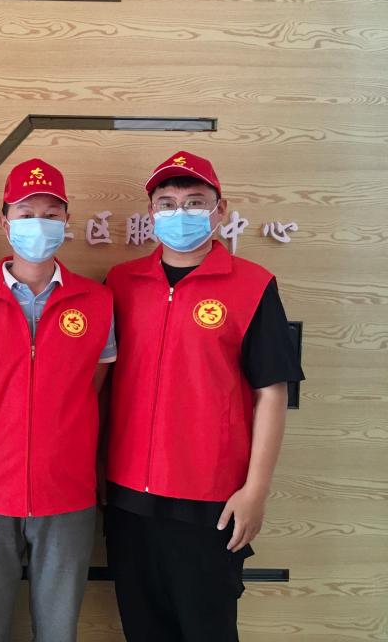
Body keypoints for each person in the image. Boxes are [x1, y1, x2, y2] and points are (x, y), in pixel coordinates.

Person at [103, 151, 304, 642]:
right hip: (127, 498)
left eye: (195, 202)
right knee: (142, 629)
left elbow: (272, 393)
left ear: (220, 209)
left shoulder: (253, 286)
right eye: (167, 203)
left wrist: (255, 491)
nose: (181, 213)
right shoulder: (121, 283)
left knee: (206, 629)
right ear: (150, 213)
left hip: (210, 501)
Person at [0, 158, 116, 642]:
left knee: (58, 631)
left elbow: (92, 386)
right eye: (26, 214)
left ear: (67, 221)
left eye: (50, 214)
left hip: (66, 491)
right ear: (5, 221)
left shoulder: (97, 302)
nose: (38, 224)